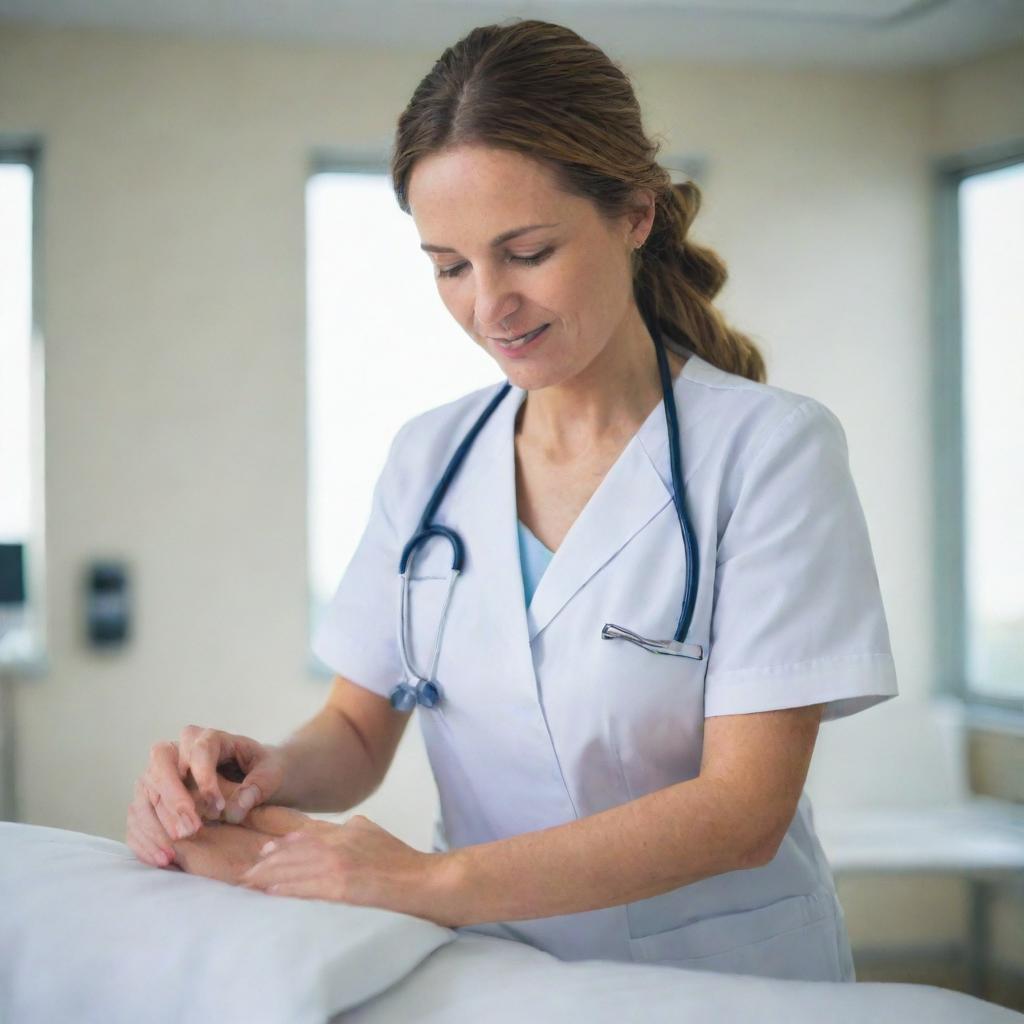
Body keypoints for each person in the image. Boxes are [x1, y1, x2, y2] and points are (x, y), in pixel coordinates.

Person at [126, 18, 899, 983]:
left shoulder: (771, 450)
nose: (488, 306)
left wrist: (426, 880)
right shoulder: (430, 458)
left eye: (526, 252)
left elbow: (741, 812)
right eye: (449, 266)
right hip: (495, 980)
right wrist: (269, 770)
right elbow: (361, 732)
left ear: (635, 215)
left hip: (725, 982)